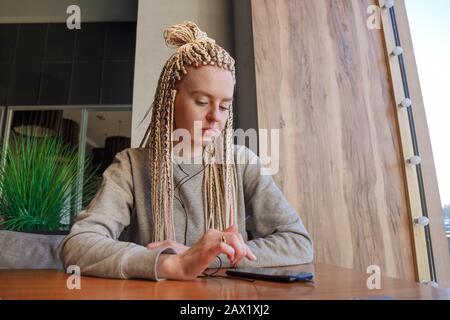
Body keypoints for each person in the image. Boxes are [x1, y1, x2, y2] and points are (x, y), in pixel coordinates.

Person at [59, 21, 313, 281]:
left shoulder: (241, 162)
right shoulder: (131, 166)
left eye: (225, 106)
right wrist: (170, 265)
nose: (216, 117)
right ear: (170, 100)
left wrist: (205, 256)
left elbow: (297, 242)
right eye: (202, 102)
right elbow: (78, 245)